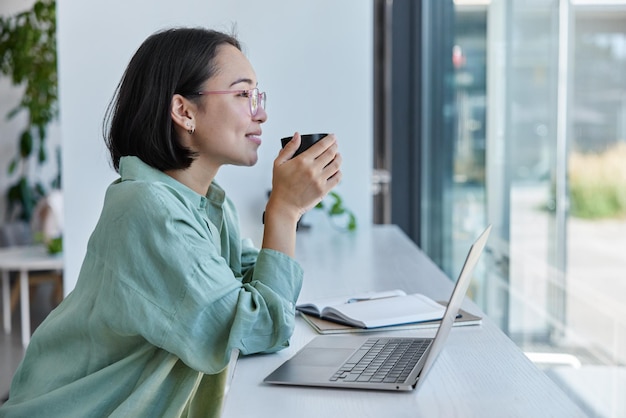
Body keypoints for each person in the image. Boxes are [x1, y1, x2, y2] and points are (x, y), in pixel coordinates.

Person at [0, 27, 342, 417]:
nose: (260, 112)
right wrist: (284, 212)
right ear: (183, 111)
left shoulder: (205, 204)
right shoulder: (149, 210)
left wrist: (288, 210)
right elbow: (259, 328)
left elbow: (253, 290)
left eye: (257, 95)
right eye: (243, 94)